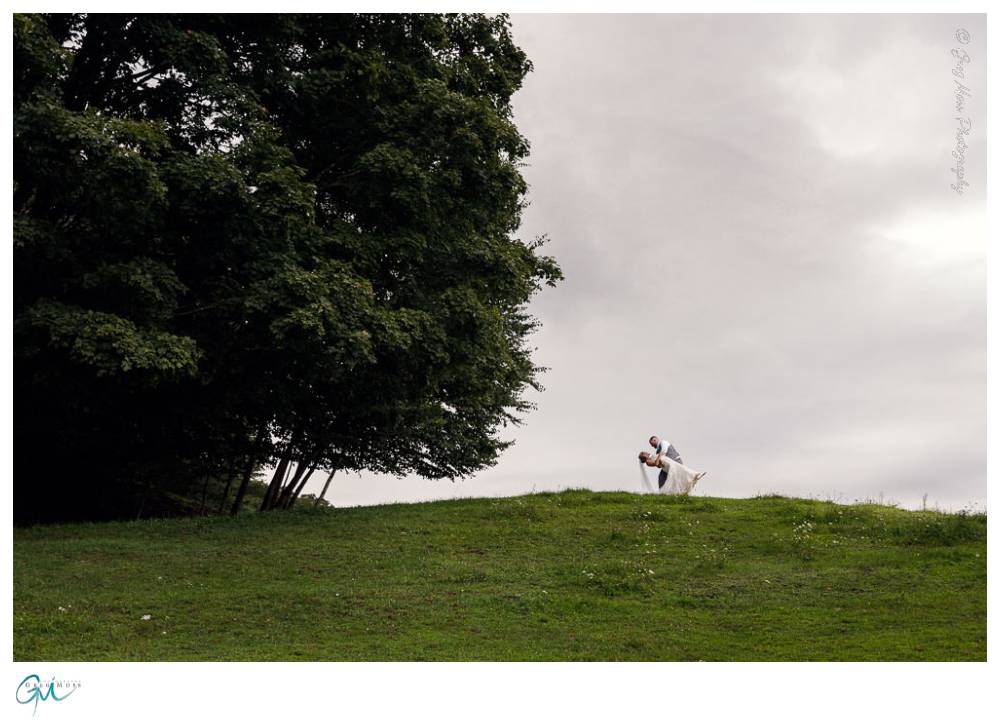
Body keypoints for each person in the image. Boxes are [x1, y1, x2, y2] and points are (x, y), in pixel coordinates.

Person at [639, 449, 705, 495]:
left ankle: (694, 475)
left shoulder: (651, 456)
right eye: (643, 453)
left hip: (666, 460)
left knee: (680, 469)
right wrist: (659, 455)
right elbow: (656, 464)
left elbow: (658, 463)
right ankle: (693, 476)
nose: (645, 452)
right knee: (679, 471)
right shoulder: (648, 462)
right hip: (666, 464)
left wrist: (660, 457)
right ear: (643, 457)